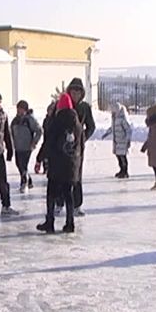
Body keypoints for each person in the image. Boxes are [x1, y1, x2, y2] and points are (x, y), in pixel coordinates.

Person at [34, 99, 79, 233]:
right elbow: (80, 144)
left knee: (51, 194)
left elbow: (49, 143)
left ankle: (50, 222)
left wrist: (39, 159)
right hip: (71, 164)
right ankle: (70, 223)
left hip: (57, 164)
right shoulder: (77, 124)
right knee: (68, 194)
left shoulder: (57, 122)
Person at [65, 79, 98, 215]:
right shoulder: (65, 105)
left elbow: (91, 126)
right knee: (62, 176)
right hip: (64, 146)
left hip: (78, 148)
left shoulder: (84, 107)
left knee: (77, 176)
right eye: (73, 91)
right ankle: (60, 202)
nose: (75, 94)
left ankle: (77, 205)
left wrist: (83, 137)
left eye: (78, 92)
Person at [10, 100, 43, 192]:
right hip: (18, 147)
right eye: (18, 108)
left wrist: (34, 142)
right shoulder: (15, 120)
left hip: (27, 147)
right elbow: (11, 131)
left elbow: (39, 131)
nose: (19, 111)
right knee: (19, 164)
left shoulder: (30, 119)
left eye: (21, 109)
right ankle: (29, 181)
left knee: (23, 165)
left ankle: (24, 183)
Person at [104, 102, 133, 179]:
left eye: (113, 111)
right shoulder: (114, 118)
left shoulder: (122, 119)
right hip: (116, 141)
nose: (112, 113)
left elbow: (128, 129)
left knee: (123, 157)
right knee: (118, 156)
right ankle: (121, 170)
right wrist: (107, 133)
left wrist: (128, 140)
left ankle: (125, 171)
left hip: (123, 141)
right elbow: (113, 127)